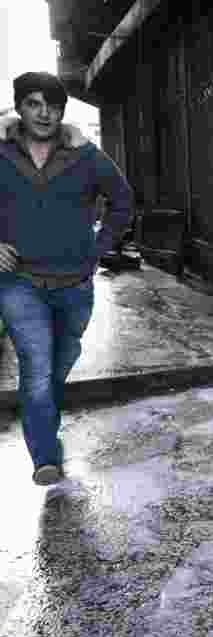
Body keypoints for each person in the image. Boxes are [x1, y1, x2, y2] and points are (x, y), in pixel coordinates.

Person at [0, 72, 133, 486]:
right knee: (36, 368)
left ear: (63, 111)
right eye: (34, 103)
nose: (44, 113)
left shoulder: (85, 156)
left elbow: (122, 200)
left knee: (57, 369)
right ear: (20, 107)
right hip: (20, 283)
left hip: (74, 285)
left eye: (53, 105)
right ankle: (45, 457)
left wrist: (98, 249)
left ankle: (46, 426)